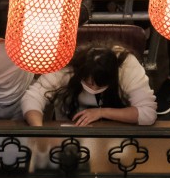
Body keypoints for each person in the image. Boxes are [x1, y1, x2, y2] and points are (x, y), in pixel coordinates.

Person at [21, 45, 157, 126]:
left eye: (100, 86)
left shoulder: (127, 66)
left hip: (114, 128)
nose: (93, 90)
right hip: (68, 123)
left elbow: (148, 114)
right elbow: (33, 97)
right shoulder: (67, 67)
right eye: (89, 84)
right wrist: (38, 130)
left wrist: (102, 112)